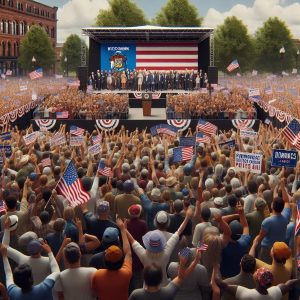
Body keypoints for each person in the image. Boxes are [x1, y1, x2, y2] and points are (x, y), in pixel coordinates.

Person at [129, 249, 201, 300]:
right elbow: (181, 277)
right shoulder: (168, 292)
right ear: (160, 279)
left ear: (144, 277)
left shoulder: (136, 294)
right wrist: (194, 261)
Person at [92, 218, 132, 300]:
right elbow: (128, 253)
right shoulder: (126, 274)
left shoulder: (97, 274)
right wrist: (123, 230)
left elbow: (93, 291)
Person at [215, 265, 300, 300]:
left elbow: (222, 285)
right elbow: (289, 284)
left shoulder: (246, 294)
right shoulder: (276, 293)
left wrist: (215, 268)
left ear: (257, 280)